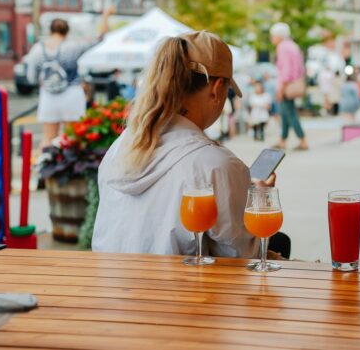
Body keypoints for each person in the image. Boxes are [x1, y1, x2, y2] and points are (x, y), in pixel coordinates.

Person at [93, 31, 272, 257]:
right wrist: (258, 199)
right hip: (175, 290)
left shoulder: (121, 146)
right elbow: (243, 256)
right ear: (216, 89)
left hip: (109, 287)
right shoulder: (216, 164)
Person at [26, 12, 109, 146]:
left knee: (48, 139)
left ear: (50, 30)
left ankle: (45, 165)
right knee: (72, 137)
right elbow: (99, 39)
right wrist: (106, 16)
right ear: (67, 31)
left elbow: (31, 78)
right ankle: (69, 166)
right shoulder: (73, 46)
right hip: (72, 94)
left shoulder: (37, 49)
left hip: (48, 96)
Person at [270, 22, 308, 151]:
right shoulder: (293, 46)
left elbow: (286, 70)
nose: (272, 38)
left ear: (279, 36)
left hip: (287, 85)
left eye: (273, 35)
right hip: (294, 82)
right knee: (285, 112)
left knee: (289, 112)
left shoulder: (283, 47)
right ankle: (283, 140)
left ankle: (302, 139)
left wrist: (281, 88)